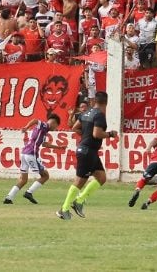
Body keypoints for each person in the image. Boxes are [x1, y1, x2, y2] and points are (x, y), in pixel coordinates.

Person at [57, 91, 116, 220]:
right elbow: (97, 134)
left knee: (101, 177)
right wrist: (110, 134)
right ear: (106, 102)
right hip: (87, 151)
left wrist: (85, 135)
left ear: (94, 101)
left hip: (89, 151)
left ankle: (79, 201)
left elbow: (74, 128)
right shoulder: (100, 115)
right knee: (79, 182)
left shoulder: (86, 113)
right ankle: (64, 209)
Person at [3, 114, 65, 205]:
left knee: (23, 180)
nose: (55, 128)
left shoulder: (42, 131)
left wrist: (59, 147)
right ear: (54, 122)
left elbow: (44, 144)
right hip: (31, 154)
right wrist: (26, 127)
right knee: (45, 176)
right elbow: (35, 120)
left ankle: (9, 198)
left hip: (24, 154)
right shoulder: (44, 125)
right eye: (56, 126)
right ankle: (29, 192)